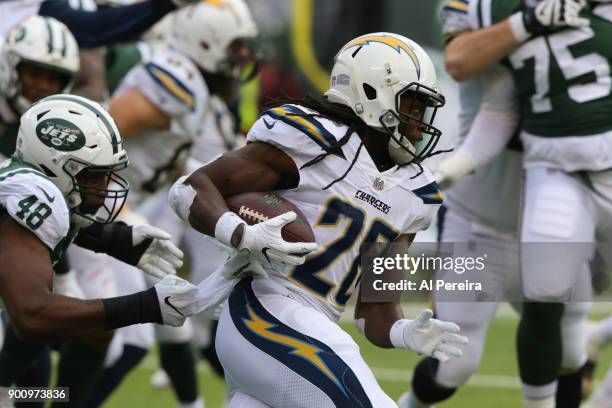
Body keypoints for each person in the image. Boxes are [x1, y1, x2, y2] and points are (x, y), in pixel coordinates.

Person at [169, 32, 468, 407]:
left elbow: (375, 310)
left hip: (311, 324)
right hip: (264, 307)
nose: (418, 123)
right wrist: (239, 232)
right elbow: (191, 189)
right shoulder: (313, 141)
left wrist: (406, 332)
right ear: (373, 91)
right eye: (413, 105)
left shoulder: (415, 194)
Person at [400, 0, 592, 407]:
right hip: (480, 218)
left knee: (571, 348)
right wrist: (529, 22)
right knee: (455, 362)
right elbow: (460, 59)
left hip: (563, 214)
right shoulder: (480, 6)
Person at [84, 2, 258, 406]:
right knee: (129, 341)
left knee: (169, 320)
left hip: (123, 206)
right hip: (98, 211)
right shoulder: (176, 80)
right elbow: (98, 134)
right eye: (235, 49)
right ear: (204, 42)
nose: (242, 60)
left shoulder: (192, 84)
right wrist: (115, 218)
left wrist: (215, 184)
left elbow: (170, 157)